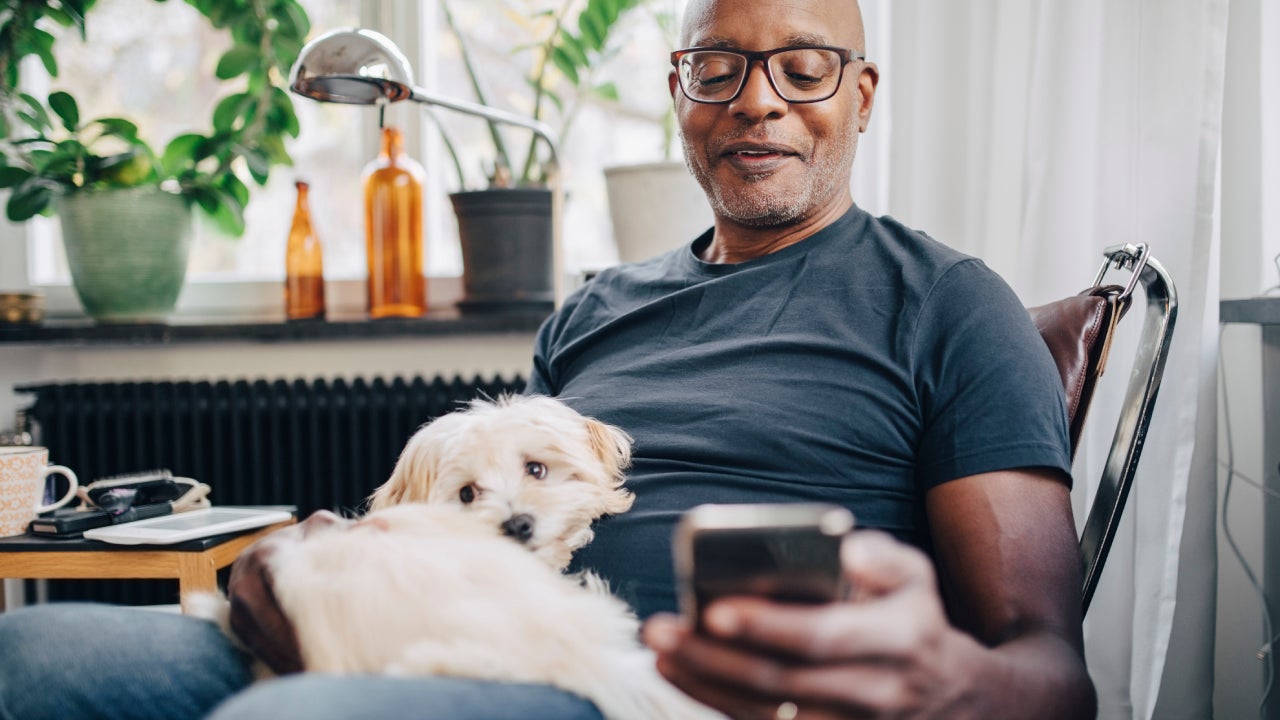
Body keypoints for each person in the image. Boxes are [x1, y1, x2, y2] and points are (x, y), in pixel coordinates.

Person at [0, 0, 1095, 717]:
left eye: (802, 67)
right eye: (717, 65)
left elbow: (1051, 675)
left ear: (858, 97)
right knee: (34, 662)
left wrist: (942, 680)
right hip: (459, 638)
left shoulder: (949, 304)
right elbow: (487, 509)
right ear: (678, 93)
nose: (755, 97)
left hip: (642, 688)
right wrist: (327, 560)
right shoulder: (594, 311)